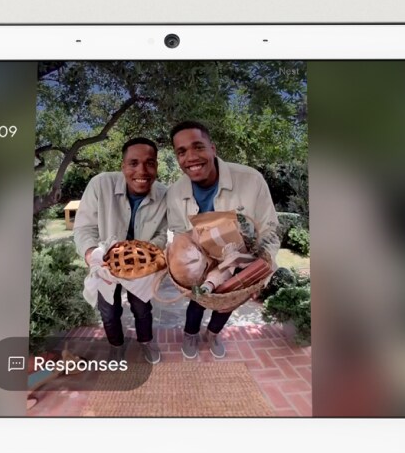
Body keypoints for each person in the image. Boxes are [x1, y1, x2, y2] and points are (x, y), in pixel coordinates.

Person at [166, 121, 280, 360]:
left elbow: (270, 227)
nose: (191, 157)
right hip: (202, 263)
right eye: (182, 151)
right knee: (198, 300)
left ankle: (213, 334)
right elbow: (178, 232)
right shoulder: (176, 192)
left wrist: (261, 272)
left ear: (213, 148)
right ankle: (190, 334)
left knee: (228, 301)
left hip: (240, 259)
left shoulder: (251, 180)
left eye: (198, 147)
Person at [73, 137, 167, 364]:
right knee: (108, 310)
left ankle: (145, 341)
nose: (142, 171)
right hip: (104, 264)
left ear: (156, 166)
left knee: (142, 308)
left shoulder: (165, 194)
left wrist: (143, 256)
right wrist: (92, 254)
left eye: (150, 163)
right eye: (133, 163)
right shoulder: (99, 184)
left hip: (142, 268)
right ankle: (116, 345)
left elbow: (164, 234)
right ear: (123, 165)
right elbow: (84, 227)